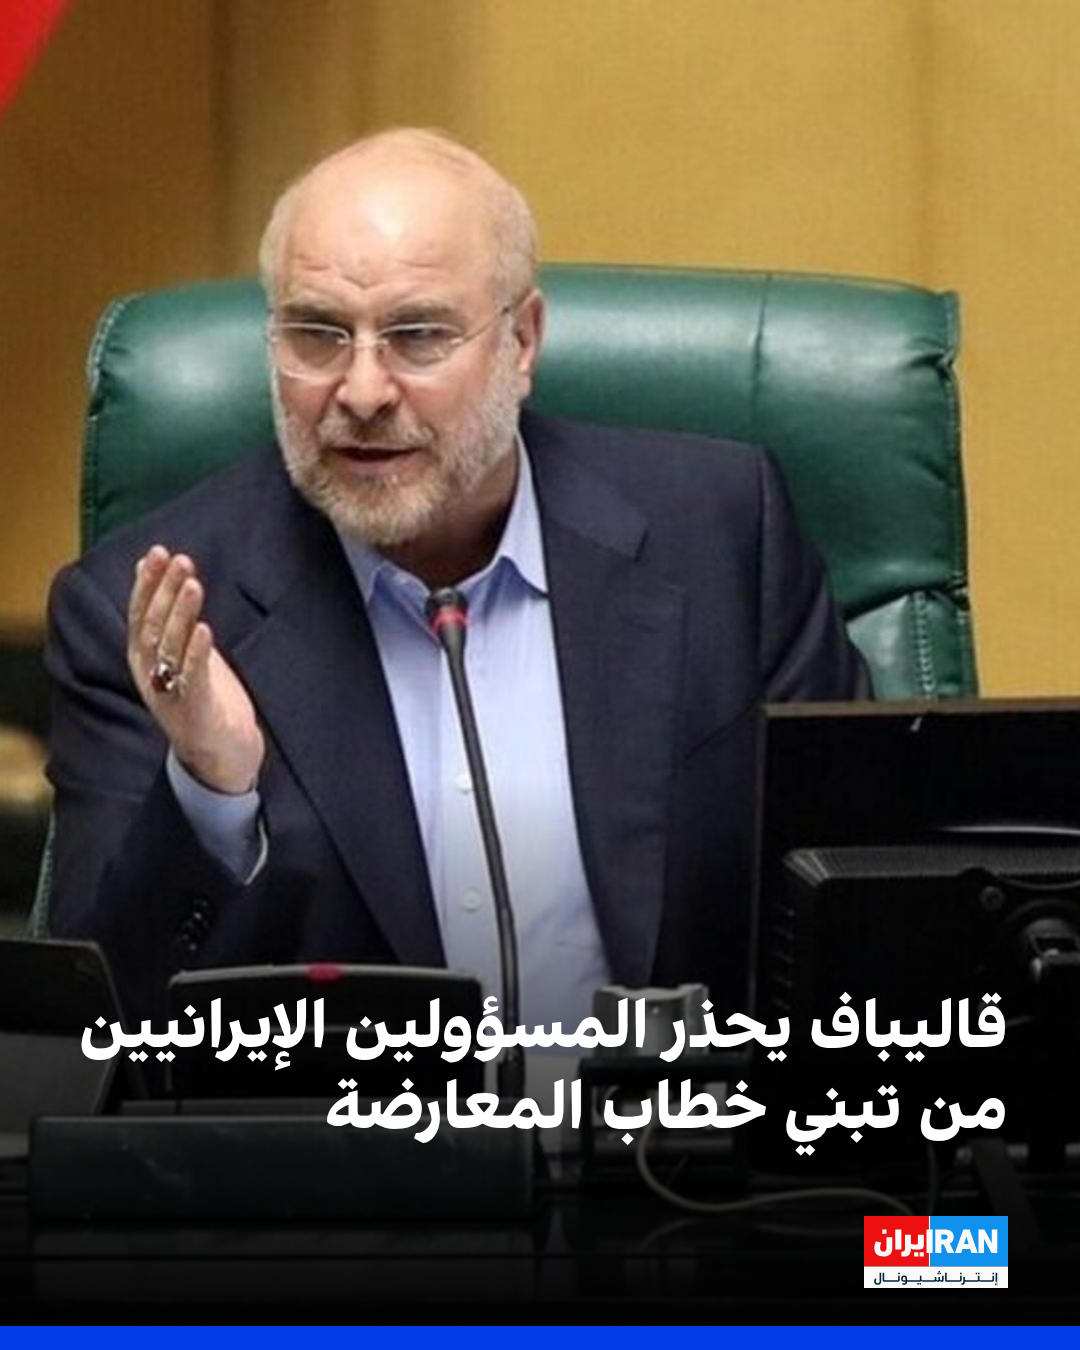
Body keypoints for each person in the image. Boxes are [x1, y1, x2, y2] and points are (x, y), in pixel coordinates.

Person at [44, 128, 867, 1030]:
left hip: (681, 1115)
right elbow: (97, 1032)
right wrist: (212, 790)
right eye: (317, 335)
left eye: (419, 335)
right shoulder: (149, 616)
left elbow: (862, 884)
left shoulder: (720, 533)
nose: (362, 392)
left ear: (523, 341)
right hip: (353, 1121)